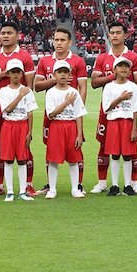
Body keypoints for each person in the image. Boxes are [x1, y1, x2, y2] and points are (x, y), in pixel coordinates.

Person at [0, 22, 37, 197]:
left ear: (17, 36)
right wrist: (4, 74)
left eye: (9, 33)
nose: (5, 36)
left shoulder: (25, 57)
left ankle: (27, 185)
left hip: (20, 113)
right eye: (2, 33)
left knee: (24, 147)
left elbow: (29, 85)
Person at [90, 22, 137, 194]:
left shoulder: (133, 58)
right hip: (108, 111)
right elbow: (94, 83)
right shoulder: (102, 58)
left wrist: (132, 107)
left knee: (130, 147)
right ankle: (102, 182)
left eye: (118, 33)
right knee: (105, 144)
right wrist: (113, 76)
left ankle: (133, 182)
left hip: (128, 111)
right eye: (111, 33)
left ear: (125, 35)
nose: (114, 36)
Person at [34, 27, 88, 195]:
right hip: (52, 114)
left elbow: (83, 87)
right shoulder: (45, 61)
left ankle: (77, 185)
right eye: (56, 40)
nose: (58, 43)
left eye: (62, 40)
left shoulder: (78, 61)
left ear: (69, 42)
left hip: (71, 116)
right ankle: (51, 186)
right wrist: (54, 80)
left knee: (75, 151)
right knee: (51, 150)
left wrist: (78, 108)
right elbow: (37, 86)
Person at [101, 57, 137, 197]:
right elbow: (106, 107)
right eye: (120, 66)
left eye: (126, 66)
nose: (124, 69)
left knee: (127, 155)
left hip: (128, 122)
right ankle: (114, 185)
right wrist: (120, 98)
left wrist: (134, 128)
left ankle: (127, 185)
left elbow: (136, 108)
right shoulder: (109, 86)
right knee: (114, 154)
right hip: (114, 122)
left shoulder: (133, 86)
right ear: (114, 70)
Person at [44, 60, 88, 199]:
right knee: (53, 160)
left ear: (70, 74)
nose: (62, 75)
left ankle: (75, 188)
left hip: (71, 126)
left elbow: (79, 114)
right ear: (54, 75)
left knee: (74, 160)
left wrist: (79, 134)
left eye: (65, 72)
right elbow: (51, 114)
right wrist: (66, 103)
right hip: (57, 126)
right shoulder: (51, 93)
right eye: (59, 72)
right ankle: (52, 189)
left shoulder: (74, 92)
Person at [0, 59, 38, 201]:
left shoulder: (27, 91)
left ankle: (22, 191)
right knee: (8, 160)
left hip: (22, 126)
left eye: (18, 72)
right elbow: (7, 109)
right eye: (13, 72)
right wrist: (20, 95)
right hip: (8, 125)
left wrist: (29, 132)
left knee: (22, 159)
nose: (15, 75)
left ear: (22, 74)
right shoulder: (3, 91)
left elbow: (30, 112)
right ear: (8, 74)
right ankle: (10, 191)